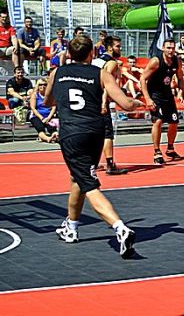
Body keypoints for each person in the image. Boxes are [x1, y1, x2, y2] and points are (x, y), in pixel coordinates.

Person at [44, 35, 142, 258]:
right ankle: (71, 227)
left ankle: (120, 228)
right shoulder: (100, 73)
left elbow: (48, 101)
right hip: (95, 132)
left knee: (88, 184)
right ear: (92, 53)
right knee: (78, 178)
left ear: (69, 54)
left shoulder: (57, 73)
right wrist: (136, 102)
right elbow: (126, 104)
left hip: (73, 133)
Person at [141, 38, 184, 165]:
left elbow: (180, 77)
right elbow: (142, 79)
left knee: (174, 122)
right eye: (168, 48)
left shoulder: (176, 61)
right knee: (158, 121)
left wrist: (181, 91)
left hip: (167, 94)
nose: (171, 50)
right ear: (163, 48)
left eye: (173, 48)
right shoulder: (156, 61)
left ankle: (170, 148)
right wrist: (148, 99)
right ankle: (157, 151)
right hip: (155, 94)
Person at [92, 36, 128, 175]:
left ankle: (93, 163)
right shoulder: (111, 63)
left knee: (95, 133)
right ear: (110, 48)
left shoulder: (96, 60)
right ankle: (110, 164)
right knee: (107, 133)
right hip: (100, 100)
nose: (120, 48)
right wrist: (104, 102)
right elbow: (107, 84)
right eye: (117, 46)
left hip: (90, 98)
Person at [28, 78, 58, 143]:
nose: (42, 86)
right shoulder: (35, 95)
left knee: (52, 128)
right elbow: (33, 108)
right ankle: (47, 138)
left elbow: (54, 107)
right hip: (37, 116)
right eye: (40, 85)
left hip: (48, 116)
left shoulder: (51, 95)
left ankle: (55, 136)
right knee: (40, 128)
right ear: (38, 86)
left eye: (45, 85)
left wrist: (48, 118)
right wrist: (42, 118)